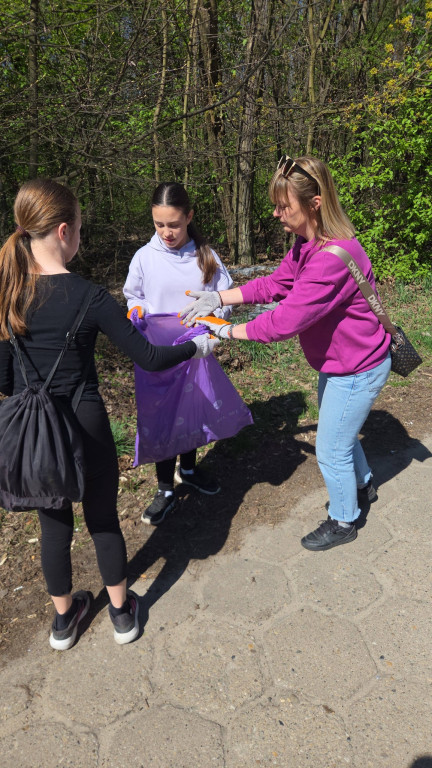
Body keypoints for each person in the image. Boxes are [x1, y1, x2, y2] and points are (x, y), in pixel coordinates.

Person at [0, 178, 218, 651]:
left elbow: (4, 380)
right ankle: (122, 615)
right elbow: (151, 357)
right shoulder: (90, 297)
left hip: (36, 433)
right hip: (86, 422)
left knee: (53, 526)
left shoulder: (8, 293)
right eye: (79, 228)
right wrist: (199, 343)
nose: (80, 236)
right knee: (102, 518)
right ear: (63, 231)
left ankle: (64, 622)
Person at [180, 154, 392, 552]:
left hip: (358, 368)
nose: (276, 214)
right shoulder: (308, 243)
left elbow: (282, 322)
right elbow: (276, 284)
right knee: (341, 431)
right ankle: (364, 485)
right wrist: (219, 297)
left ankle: (344, 519)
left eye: (284, 206)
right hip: (342, 362)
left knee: (330, 448)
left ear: (314, 203)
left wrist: (224, 331)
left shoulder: (330, 259)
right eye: (276, 205)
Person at [123, 181, 234, 525]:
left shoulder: (206, 257)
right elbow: (133, 294)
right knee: (162, 417)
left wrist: (212, 327)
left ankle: (187, 469)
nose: (167, 232)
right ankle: (164, 489)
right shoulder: (144, 257)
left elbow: (225, 299)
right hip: (156, 352)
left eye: (173, 224)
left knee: (190, 408)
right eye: (159, 224)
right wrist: (136, 310)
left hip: (193, 349)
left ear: (189, 217)